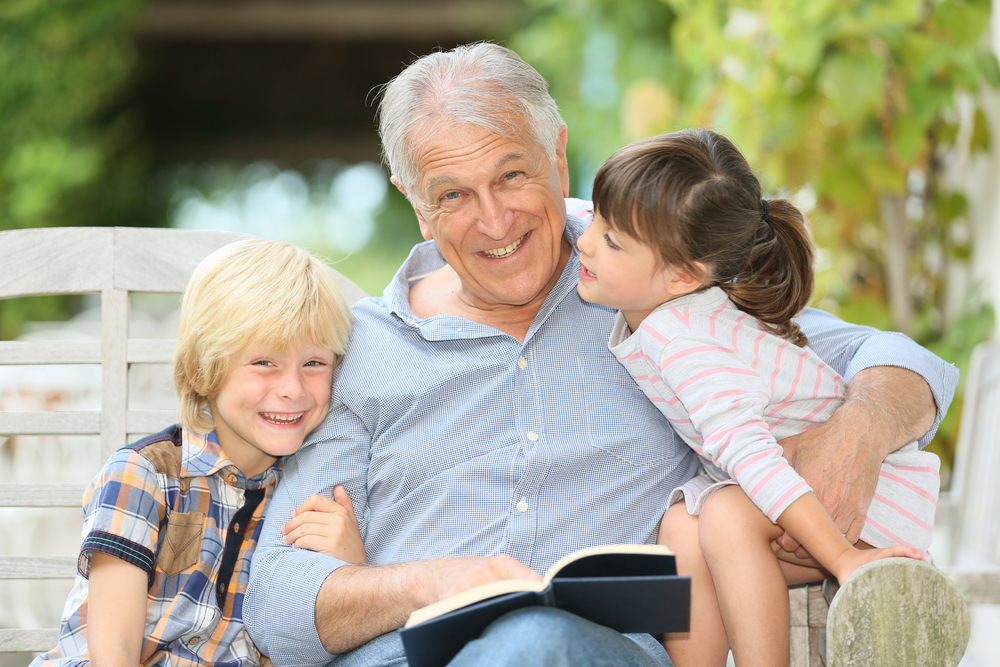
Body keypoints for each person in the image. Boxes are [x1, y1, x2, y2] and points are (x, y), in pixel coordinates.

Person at [243, 43, 958, 667]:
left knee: (535, 643)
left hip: (594, 653)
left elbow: (903, 364)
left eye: (513, 175)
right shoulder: (353, 350)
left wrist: (855, 433)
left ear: (557, 153)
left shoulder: (657, 286)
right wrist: (429, 582)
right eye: (454, 194)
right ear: (414, 202)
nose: (495, 220)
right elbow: (276, 606)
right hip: (404, 652)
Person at [575, 128, 942, 666]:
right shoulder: (675, 317)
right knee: (681, 522)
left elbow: (753, 459)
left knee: (722, 513)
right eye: (596, 219)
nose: (584, 240)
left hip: (865, 511)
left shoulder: (685, 342)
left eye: (612, 240)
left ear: (683, 276)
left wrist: (842, 560)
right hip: (795, 503)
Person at [32, 239, 361, 667]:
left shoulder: (306, 487)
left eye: (314, 363)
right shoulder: (144, 476)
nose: (293, 389)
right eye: (264, 362)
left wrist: (352, 564)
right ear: (202, 372)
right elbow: (112, 654)